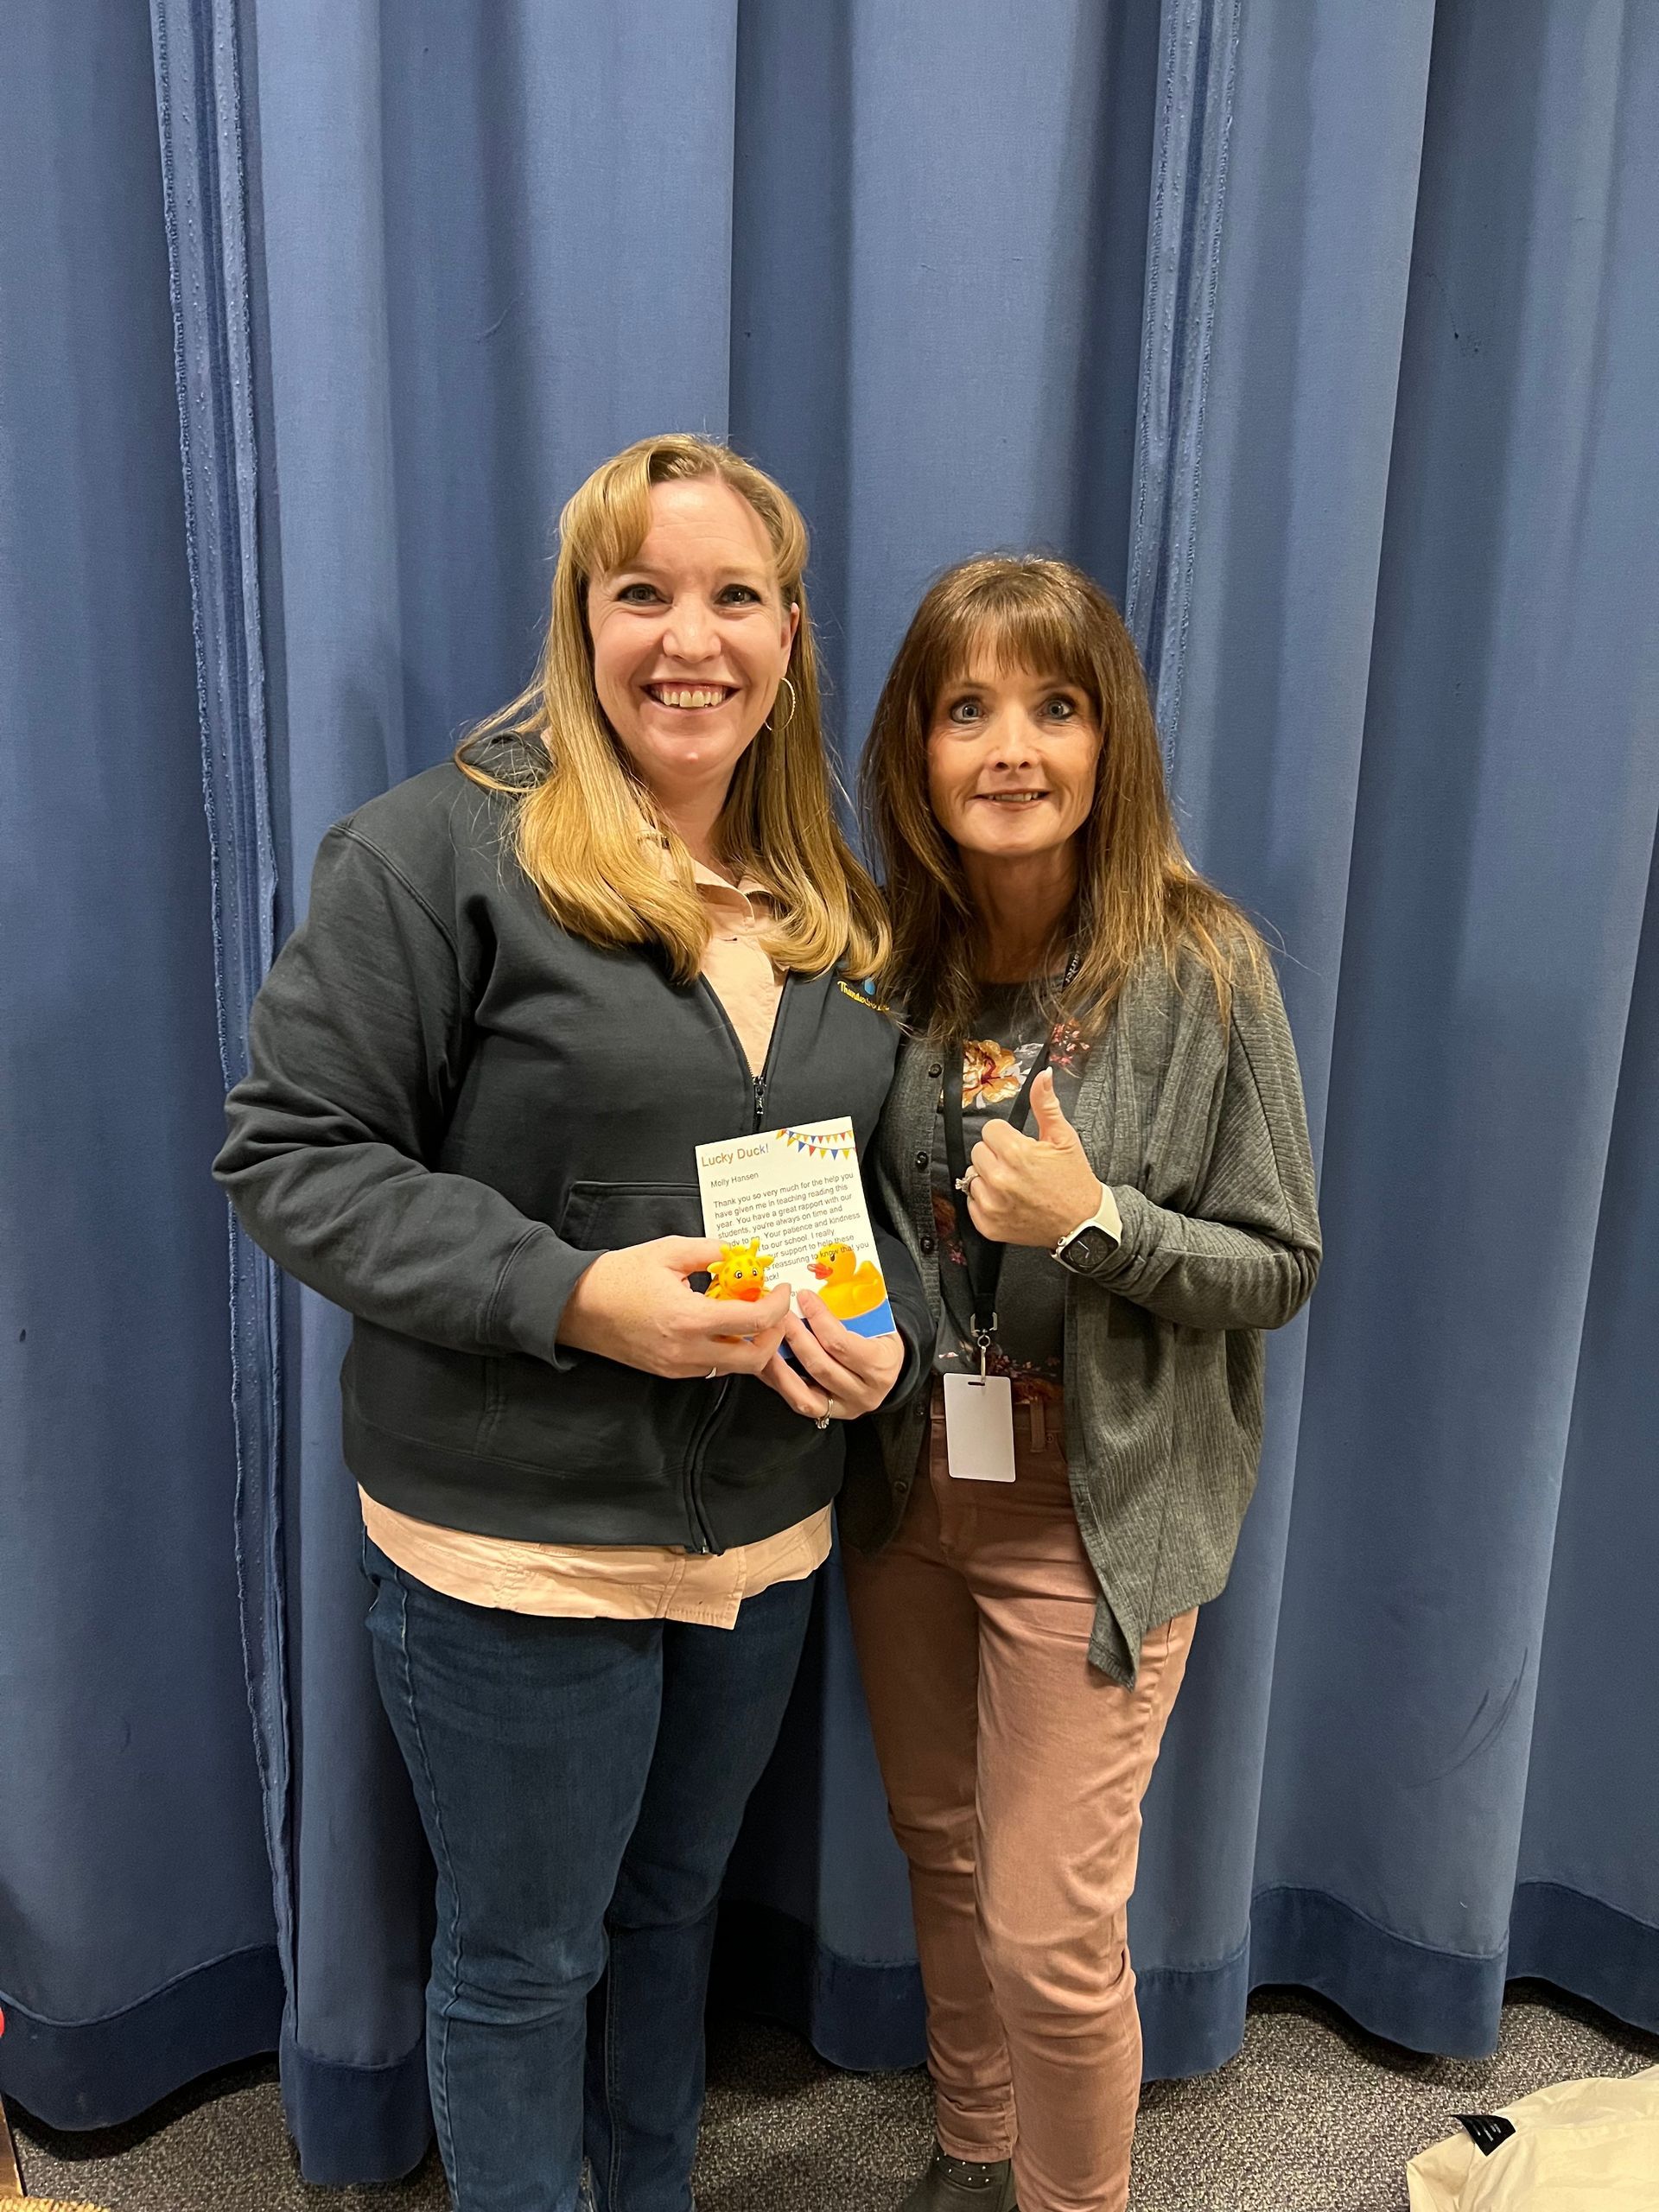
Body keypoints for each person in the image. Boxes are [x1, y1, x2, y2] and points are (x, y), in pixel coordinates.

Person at [214, 435, 927, 2212]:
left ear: (789, 633)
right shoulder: (435, 850)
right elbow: (291, 1151)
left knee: (677, 1910)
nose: (692, 639)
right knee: (526, 1962)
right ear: (580, 618)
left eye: (735, 596)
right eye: (643, 593)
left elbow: (876, 1193)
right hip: (517, 1549)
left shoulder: (828, 898)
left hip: (761, 1534)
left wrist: (891, 1327)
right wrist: (570, 1292)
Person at [841, 556, 1321, 2212]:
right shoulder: (884, 966)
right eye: (966, 708)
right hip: (910, 1492)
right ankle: (976, 2157)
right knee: (943, 1853)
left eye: (1055, 705)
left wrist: (1101, 1224)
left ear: (1111, 740)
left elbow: (1281, 1262)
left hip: (1092, 1512)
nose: (1012, 748)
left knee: (1049, 1929)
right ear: (913, 746)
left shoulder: (1205, 967)